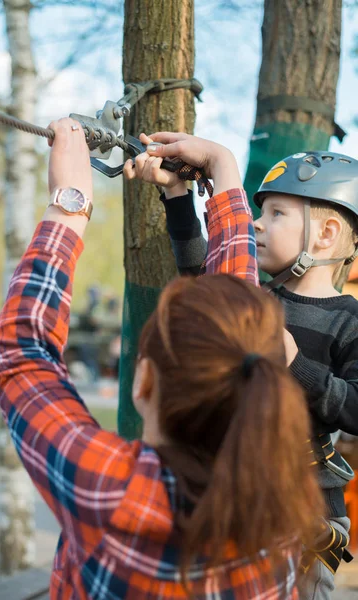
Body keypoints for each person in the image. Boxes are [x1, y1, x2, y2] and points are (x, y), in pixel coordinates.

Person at [0, 118, 324, 600]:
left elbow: (22, 353)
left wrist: (69, 205)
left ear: (144, 382)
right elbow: (234, 329)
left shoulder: (111, 491)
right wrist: (223, 170)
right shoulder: (281, 507)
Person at [128, 135, 358, 600]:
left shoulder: (347, 321)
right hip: (233, 493)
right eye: (259, 211)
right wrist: (177, 196)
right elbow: (202, 279)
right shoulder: (258, 297)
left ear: (326, 234)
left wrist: (295, 365)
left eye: (276, 214)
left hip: (306, 514)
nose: (256, 224)